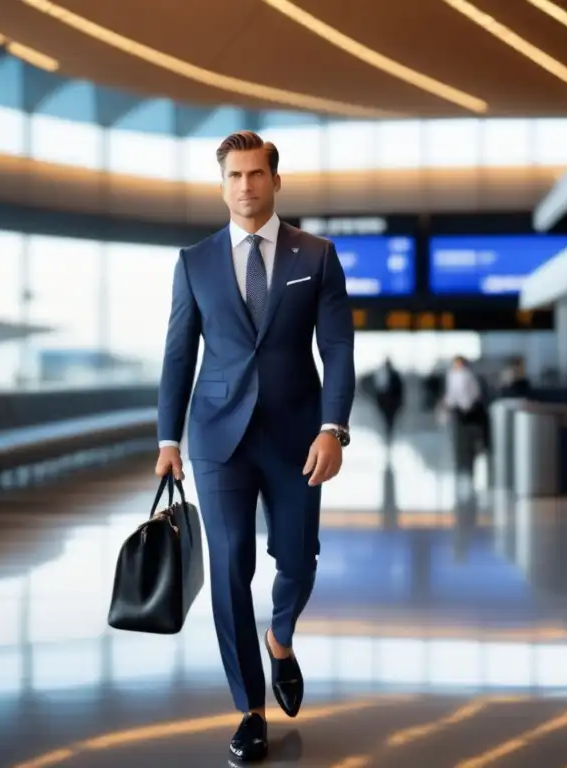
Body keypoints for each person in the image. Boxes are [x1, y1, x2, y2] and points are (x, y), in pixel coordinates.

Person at [154, 130, 355, 763]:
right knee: (230, 565)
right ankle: (249, 708)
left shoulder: (316, 256)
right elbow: (179, 355)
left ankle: (282, 636)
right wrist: (167, 437)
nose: (245, 186)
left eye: (255, 174)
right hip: (219, 439)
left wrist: (333, 427)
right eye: (234, 176)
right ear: (223, 185)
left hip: (298, 436)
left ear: (275, 180)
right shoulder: (194, 262)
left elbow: (340, 350)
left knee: (297, 558)